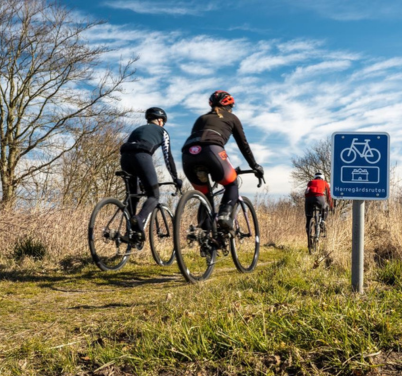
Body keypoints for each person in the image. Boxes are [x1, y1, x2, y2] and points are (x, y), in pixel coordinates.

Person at [181, 90, 264, 231]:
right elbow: (243, 145)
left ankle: (206, 235)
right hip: (212, 151)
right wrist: (254, 166)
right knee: (232, 183)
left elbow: (197, 140)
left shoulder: (201, 118)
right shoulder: (232, 118)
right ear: (229, 106)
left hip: (188, 154)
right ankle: (225, 216)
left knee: (205, 195)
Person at [120, 107, 182, 241]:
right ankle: (139, 219)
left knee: (133, 195)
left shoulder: (137, 129)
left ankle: (130, 232)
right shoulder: (163, 132)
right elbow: (168, 157)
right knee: (154, 195)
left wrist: (142, 181)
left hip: (125, 157)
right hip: (141, 156)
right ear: (160, 121)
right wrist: (175, 178)